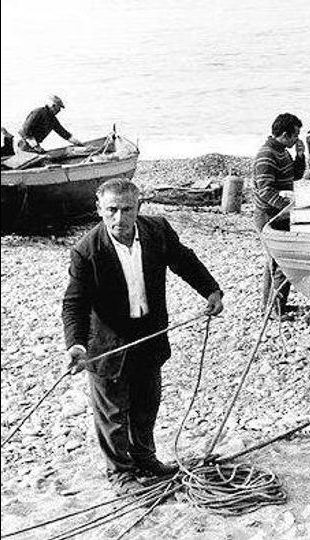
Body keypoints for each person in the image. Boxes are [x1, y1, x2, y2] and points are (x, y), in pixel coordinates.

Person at [62, 178, 224, 495]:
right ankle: (121, 474)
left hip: (149, 335)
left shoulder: (157, 231)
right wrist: (76, 346)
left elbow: (184, 260)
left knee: (146, 405)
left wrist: (211, 290)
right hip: (106, 345)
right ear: (99, 209)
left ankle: (145, 459)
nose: (119, 219)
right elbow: (74, 303)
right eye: (111, 210)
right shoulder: (86, 251)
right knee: (112, 415)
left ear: (140, 207)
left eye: (127, 209)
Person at [253, 113, 306, 315]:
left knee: (274, 261)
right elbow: (265, 190)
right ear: (285, 134)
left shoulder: (282, 151)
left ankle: (272, 305)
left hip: (278, 213)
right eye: (295, 135)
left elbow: (295, 175)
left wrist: (300, 156)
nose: (297, 139)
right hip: (268, 214)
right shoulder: (267, 154)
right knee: (280, 261)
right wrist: (287, 207)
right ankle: (275, 309)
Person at [18, 94, 85, 153]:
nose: (59, 111)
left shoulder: (52, 119)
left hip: (35, 147)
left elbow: (64, 133)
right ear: (53, 106)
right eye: (59, 108)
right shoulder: (38, 112)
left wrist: (79, 143)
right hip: (25, 146)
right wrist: (35, 146)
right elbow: (24, 130)